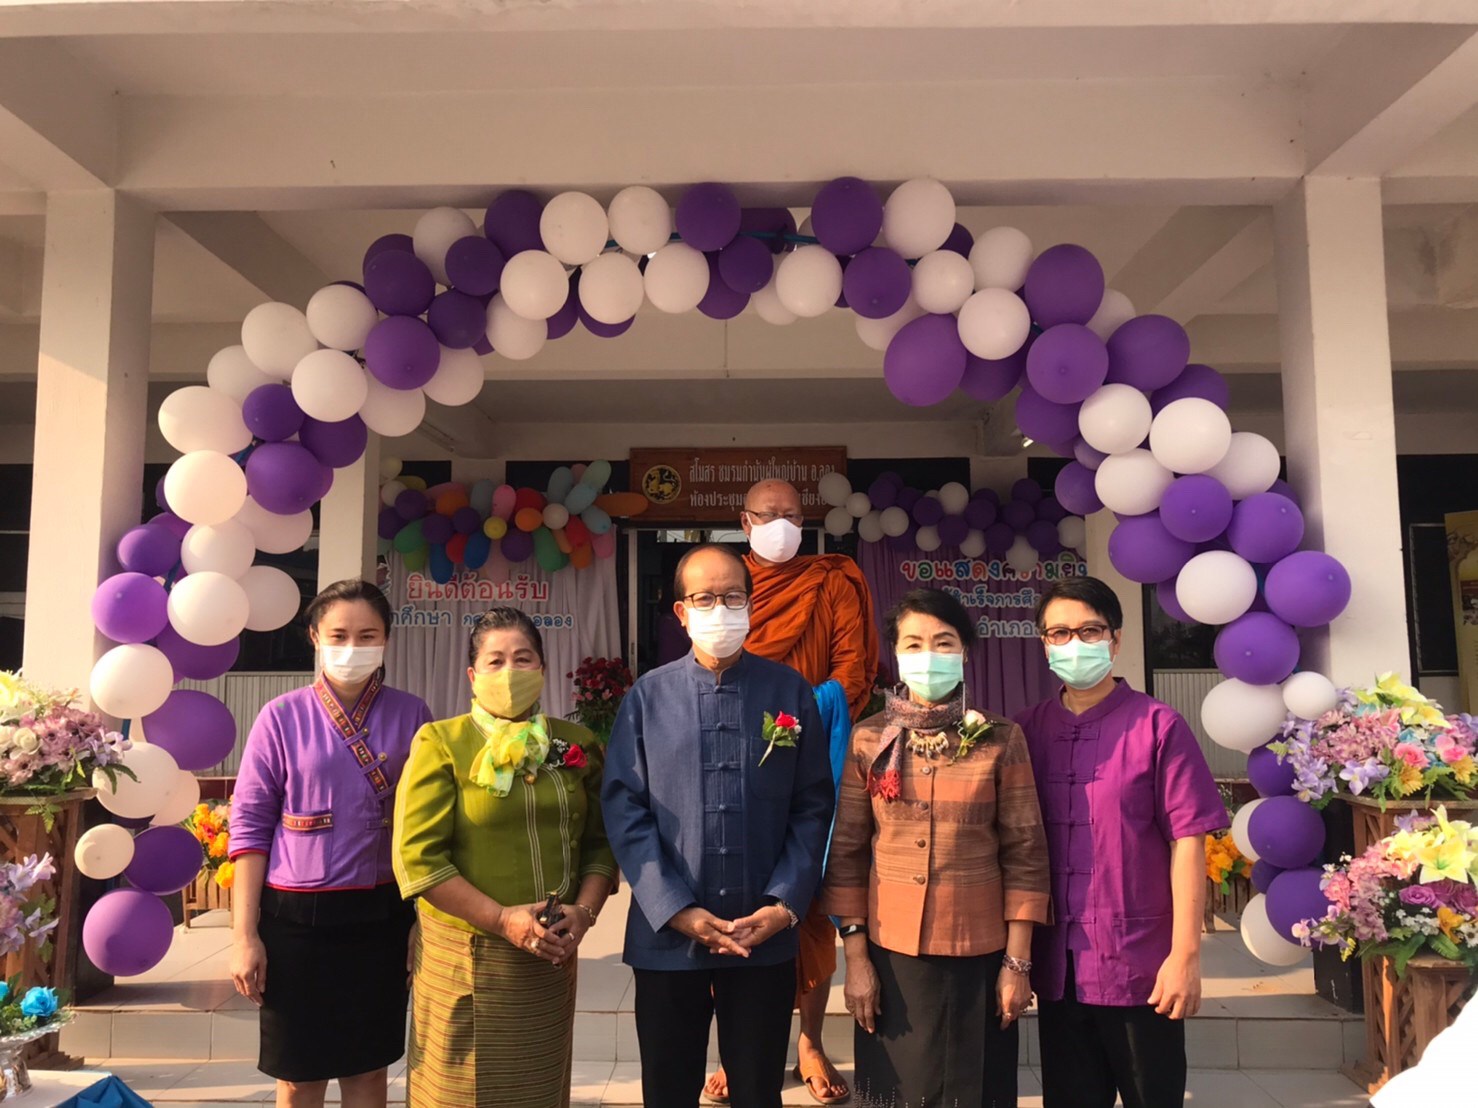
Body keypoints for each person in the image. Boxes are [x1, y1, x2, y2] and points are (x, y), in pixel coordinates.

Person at [602, 544, 836, 1108]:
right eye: (705, 598)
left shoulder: (788, 691)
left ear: (751, 606)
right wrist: (673, 907)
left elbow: (812, 805)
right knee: (668, 1089)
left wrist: (783, 905)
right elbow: (625, 808)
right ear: (682, 612)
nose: (721, 609)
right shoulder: (647, 696)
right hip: (667, 936)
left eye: (733, 597)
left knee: (757, 1089)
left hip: (762, 933)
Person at [821, 587, 1049, 1107]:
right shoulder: (868, 739)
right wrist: (856, 958)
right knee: (895, 1095)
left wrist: (1017, 964)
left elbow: (1025, 854)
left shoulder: (1000, 738)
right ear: (896, 653)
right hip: (890, 956)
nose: (929, 655)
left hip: (979, 952)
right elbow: (848, 853)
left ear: (964, 651)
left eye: (943, 642)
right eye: (914, 643)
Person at [1014, 576, 1227, 1108]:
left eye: (1090, 630)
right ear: (1043, 643)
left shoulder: (1158, 726)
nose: (1075, 643)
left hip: (1140, 966)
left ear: (1116, 639)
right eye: (1059, 633)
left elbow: (1188, 841)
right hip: (1060, 971)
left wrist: (1185, 955)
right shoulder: (1025, 732)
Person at [392, 606, 617, 1108]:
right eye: (495, 661)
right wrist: (500, 919)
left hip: (551, 956)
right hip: (466, 956)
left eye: (523, 658)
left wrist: (584, 912)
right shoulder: (442, 742)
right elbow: (418, 859)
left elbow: (601, 843)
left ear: (542, 668)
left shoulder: (575, 744)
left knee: (540, 1090)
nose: (510, 672)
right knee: (456, 1093)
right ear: (472, 676)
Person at [703, 477, 877, 1105]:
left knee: (807, 899)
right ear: (744, 521)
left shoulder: (832, 580)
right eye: (769, 514)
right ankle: (738, 1049)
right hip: (734, 755)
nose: (782, 525)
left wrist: (799, 716)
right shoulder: (727, 584)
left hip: (812, 754)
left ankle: (809, 1040)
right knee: (733, 894)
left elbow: (852, 669)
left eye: (794, 516)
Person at [229, 579, 432, 1108]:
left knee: (368, 1071)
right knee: (299, 1077)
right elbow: (249, 828)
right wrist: (244, 935)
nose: (352, 647)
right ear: (315, 637)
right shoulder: (280, 717)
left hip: (381, 917)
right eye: (339, 635)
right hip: (294, 921)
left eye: (367, 635)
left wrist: (421, 920)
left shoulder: (413, 715)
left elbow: (430, 828)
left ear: (386, 640)